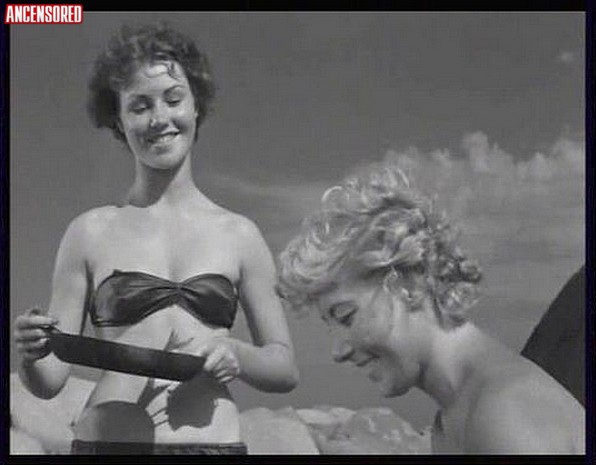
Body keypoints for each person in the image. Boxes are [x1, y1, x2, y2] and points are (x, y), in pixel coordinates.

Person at [13, 22, 298, 455]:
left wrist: (236, 353)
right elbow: (49, 382)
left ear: (197, 105)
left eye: (173, 99)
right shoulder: (88, 232)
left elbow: (284, 367)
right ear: (118, 119)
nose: (159, 118)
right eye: (139, 106)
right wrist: (33, 353)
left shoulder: (241, 234)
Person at [277, 160, 584, 454]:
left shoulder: (503, 414)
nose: (338, 350)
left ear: (410, 281)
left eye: (346, 316)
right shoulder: (456, 415)